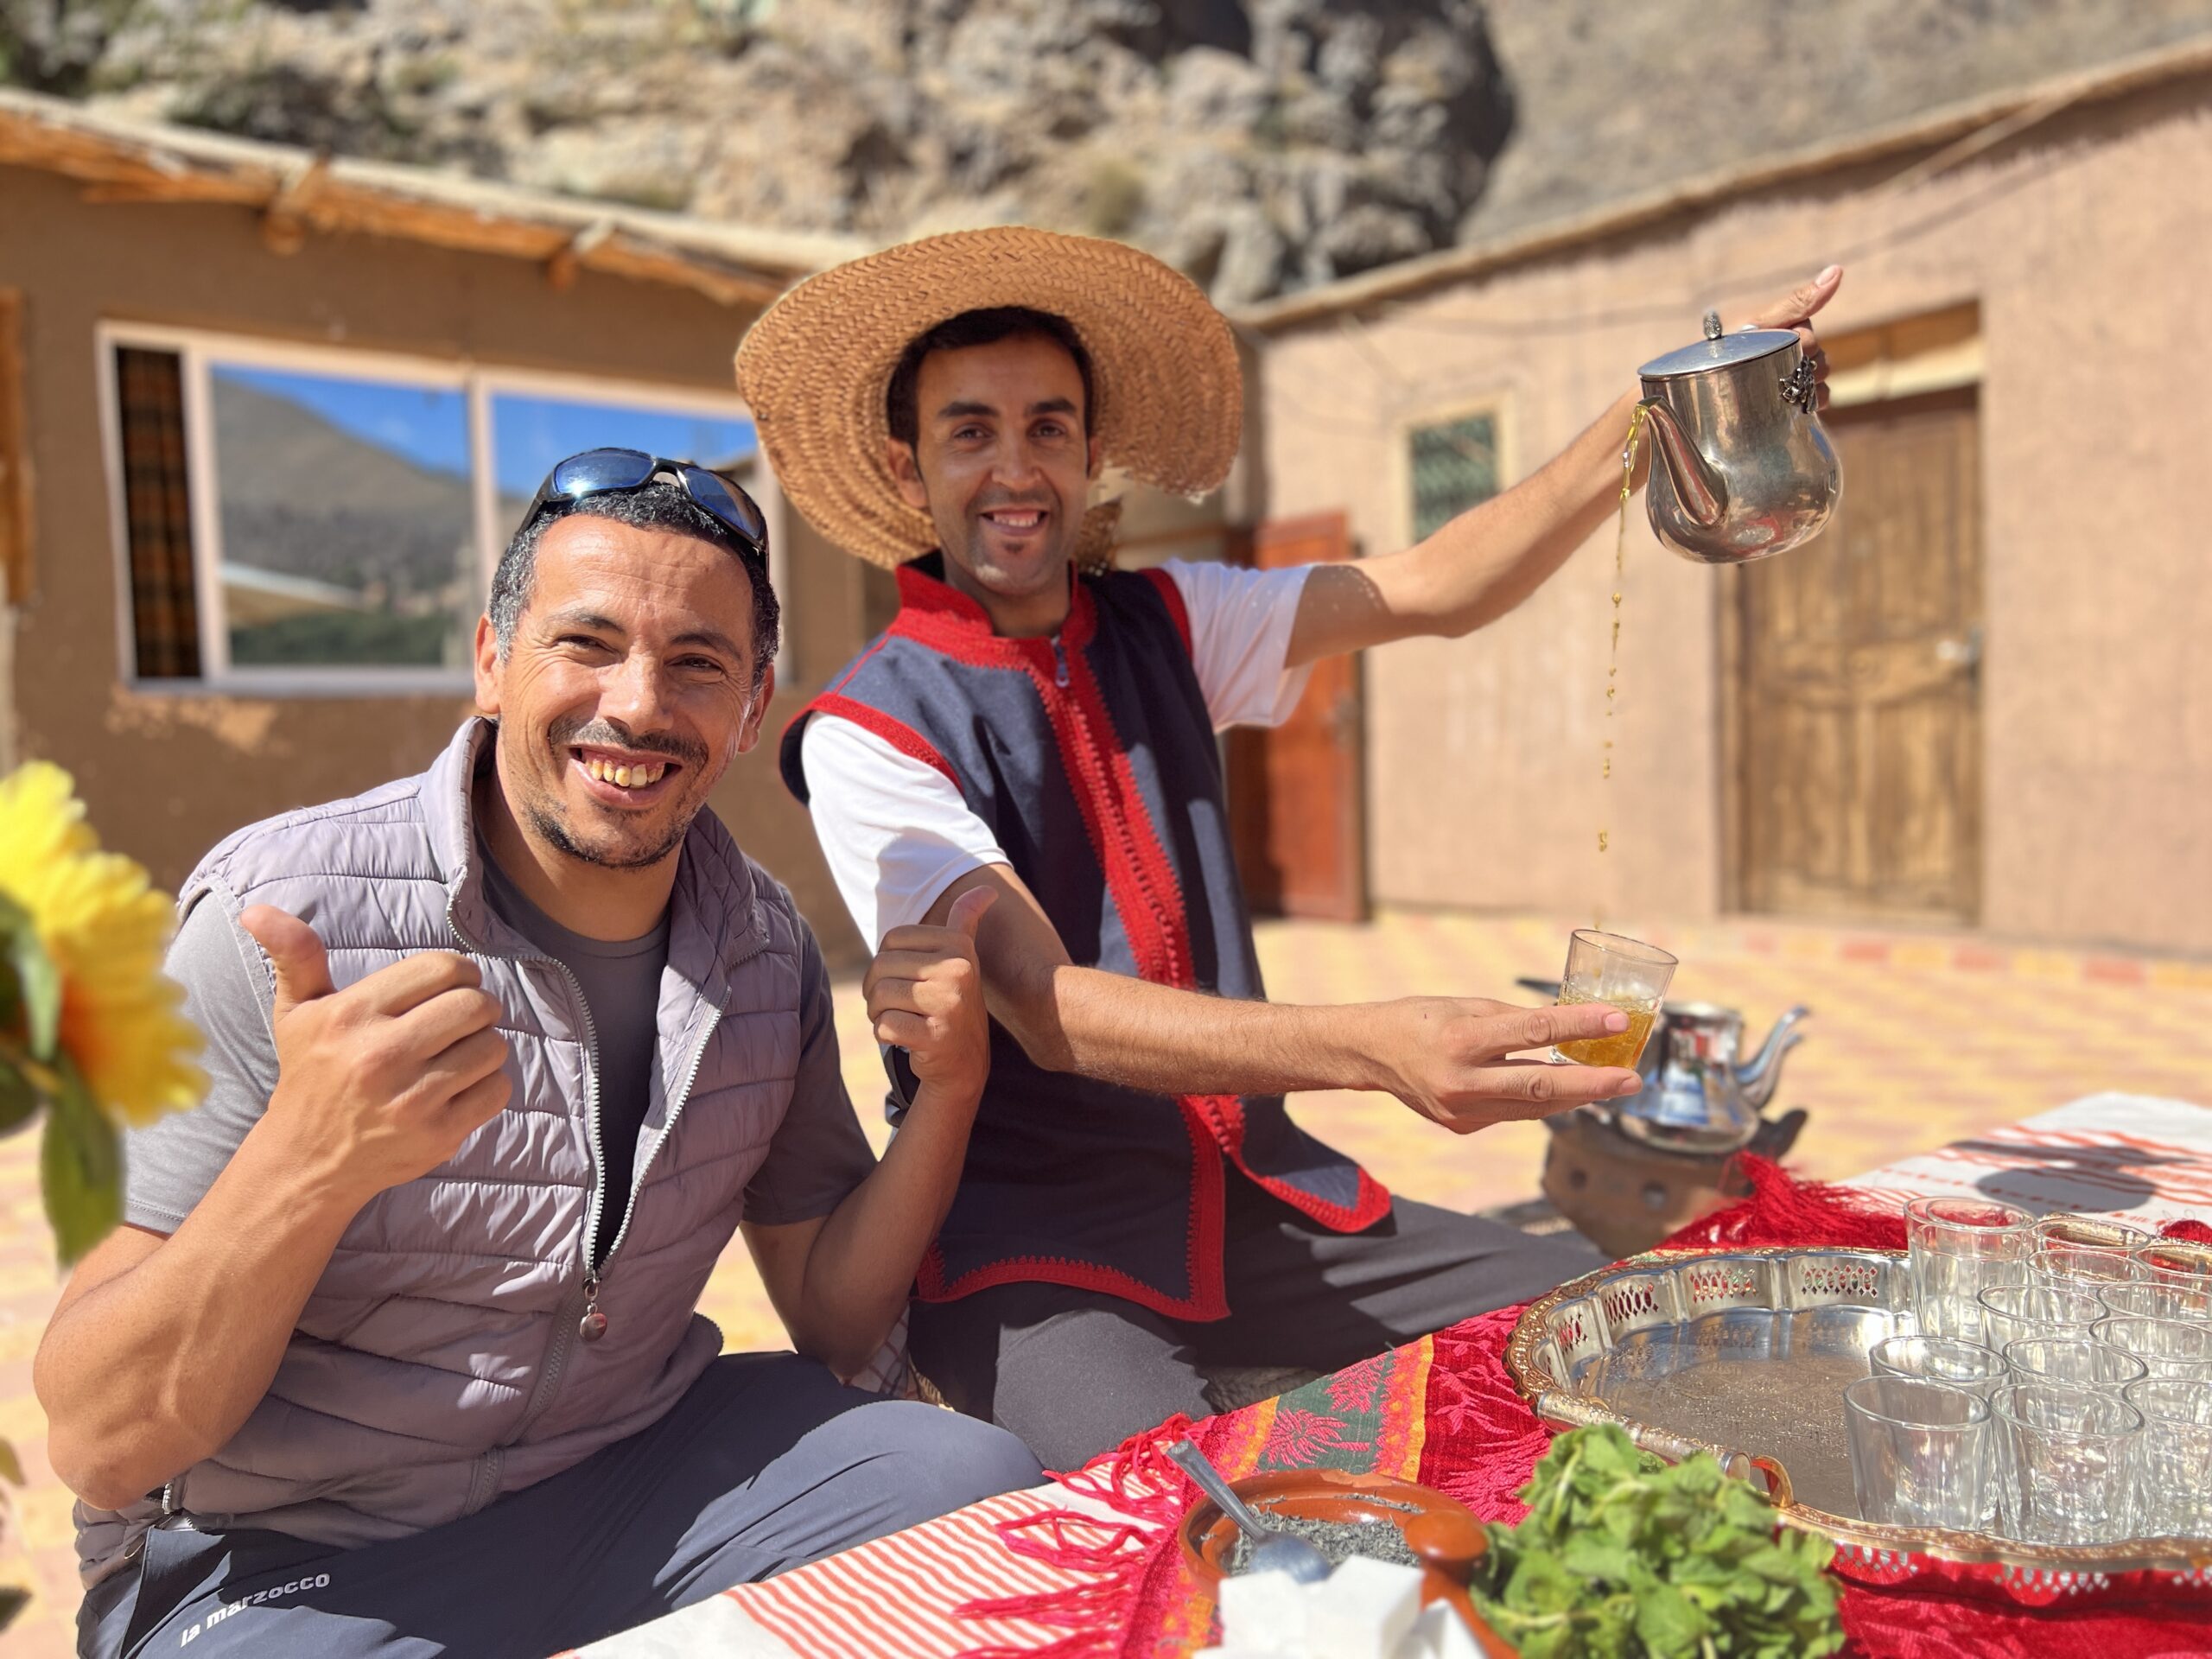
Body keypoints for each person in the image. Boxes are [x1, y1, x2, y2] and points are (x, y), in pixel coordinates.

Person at [737, 229, 1838, 1470]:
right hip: (1044, 1250)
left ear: (1095, 455)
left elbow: (1433, 585)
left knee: (1604, 1331)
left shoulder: (1172, 621)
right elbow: (1053, 1014)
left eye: (1049, 428)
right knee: (1186, 1510)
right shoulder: (870, 731)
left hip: (1266, 1205)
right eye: (970, 432)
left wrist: (1659, 419)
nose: (1016, 468)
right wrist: (1373, 1048)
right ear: (909, 466)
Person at [39, 451, 1044, 1659]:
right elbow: (102, 1441)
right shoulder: (282, 921)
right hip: (302, 1549)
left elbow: (832, 1315)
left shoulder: (762, 947)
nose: (634, 704)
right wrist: (310, 1163)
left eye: (696, 664)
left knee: (969, 1488)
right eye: (586, 642)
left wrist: (950, 1091)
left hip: (627, 1476)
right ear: (491, 661)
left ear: (752, 708)